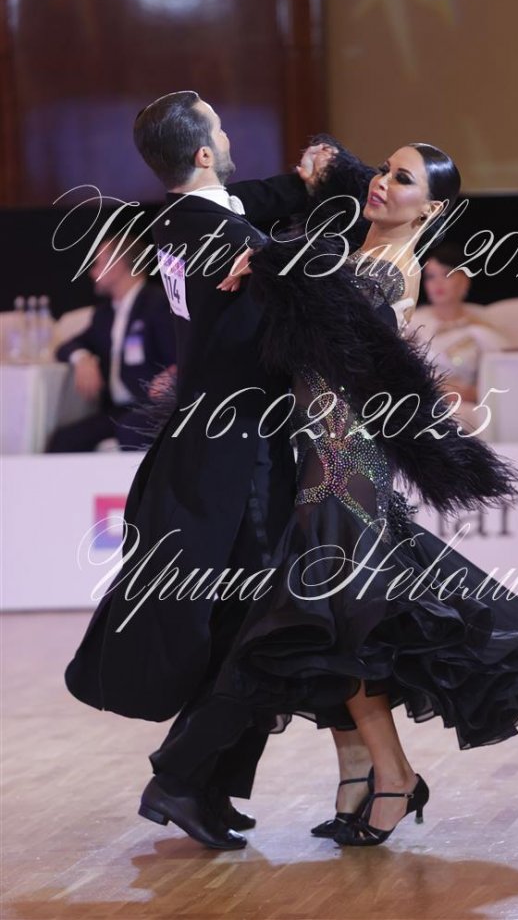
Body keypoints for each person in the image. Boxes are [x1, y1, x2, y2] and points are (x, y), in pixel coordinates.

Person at [155, 140, 518, 848]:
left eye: (403, 178)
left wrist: (267, 262)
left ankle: (387, 776)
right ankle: (366, 776)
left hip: (345, 467)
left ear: (433, 209)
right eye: (384, 170)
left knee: (339, 627)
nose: (384, 183)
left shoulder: (389, 268)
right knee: (339, 627)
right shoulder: (355, 246)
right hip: (323, 460)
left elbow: (322, 314)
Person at [64, 91, 335, 851]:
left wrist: (308, 181)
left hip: (221, 443)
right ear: (207, 152)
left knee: (240, 618)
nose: (228, 130)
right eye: (219, 125)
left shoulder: (186, 216)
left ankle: (205, 784)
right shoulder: (212, 233)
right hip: (234, 452)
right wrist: (276, 255)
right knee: (260, 618)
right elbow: (256, 255)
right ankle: (183, 777)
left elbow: (254, 205)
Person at [48, 237, 177, 451]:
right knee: (64, 440)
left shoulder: (157, 303)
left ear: (116, 264)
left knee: (131, 429)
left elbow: (183, 354)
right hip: (119, 409)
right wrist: (82, 358)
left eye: (98, 264)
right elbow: (66, 347)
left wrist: (173, 374)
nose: (92, 272)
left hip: (155, 406)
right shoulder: (105, 314)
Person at [406, 241, 507, 421]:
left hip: (464, 409)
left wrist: (469, 393)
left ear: (465, 280)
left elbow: (503, 382)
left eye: (447, 274)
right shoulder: (412, 325)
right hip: (419, 404)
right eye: (430, 277)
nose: (437, 283)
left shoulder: (481, 329)